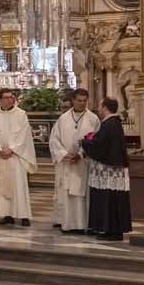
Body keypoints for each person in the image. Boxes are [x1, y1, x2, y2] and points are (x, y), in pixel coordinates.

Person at [80, 98, 133, 242]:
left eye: (100, 106)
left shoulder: (109, 124)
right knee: (112, 200)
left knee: (110, 199)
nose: (98, 109)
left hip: (109, 170)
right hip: (112, 168)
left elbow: (99, 145)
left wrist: (84, 142)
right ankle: (110, 230)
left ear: (105, 108)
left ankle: (113, 231)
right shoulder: (113, 123)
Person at [49, 89, 100, 235]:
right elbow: (54, 140)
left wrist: (80, 154)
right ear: (73, 100)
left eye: (85, 101)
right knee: (66, 194)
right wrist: (65, 154)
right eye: (79, 100)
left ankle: (83, 224)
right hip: (66, 163)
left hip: (83, 164)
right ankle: (68, 223)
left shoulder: (93, 119)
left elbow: (96, 142)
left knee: (81, 195)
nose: (82, 103)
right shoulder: (63, 119)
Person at [0, 89, 38, 226]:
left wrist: (12, 149)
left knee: (18, 186)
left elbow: (24, 135)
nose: (10, 100)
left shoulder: (21, 115)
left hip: (16, 156)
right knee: (3, 186)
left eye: (12, 97)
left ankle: (23, 215)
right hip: (0, 156)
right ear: (0, 99)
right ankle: (7, 214)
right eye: (7, 97)